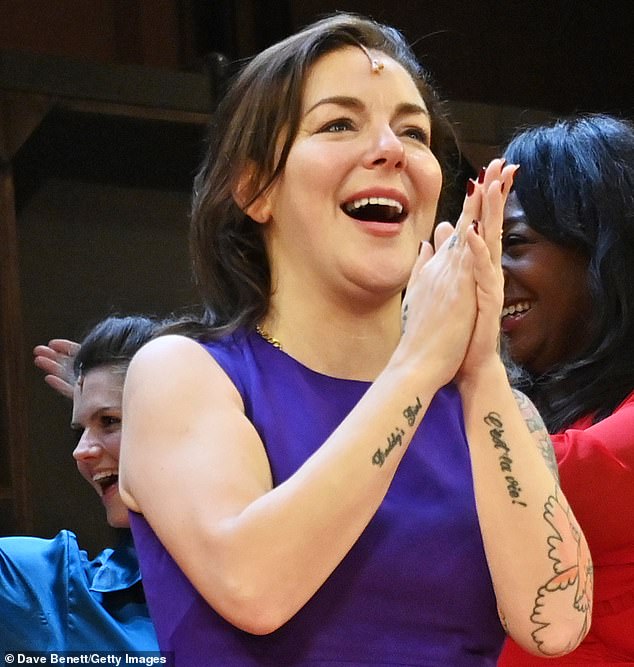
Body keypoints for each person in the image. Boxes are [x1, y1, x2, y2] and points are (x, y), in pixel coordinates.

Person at [119, 14, 592, 665]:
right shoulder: (183, 373)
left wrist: (479, 370)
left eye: (413, 131)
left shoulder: (493, 404)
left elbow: (556, 625)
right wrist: (421, 362)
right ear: (255, 187)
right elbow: (255, 588)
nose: (390, 148)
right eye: (339, 123)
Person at [496, 114, 634, 663]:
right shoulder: (545, 400)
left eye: (513, 241)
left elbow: (556, 478)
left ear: (605, 250)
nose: (486, 269)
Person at [0, 316, 159, 651]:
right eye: (79, 430)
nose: (80, 451)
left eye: (110, 421)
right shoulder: (50, 591)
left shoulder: (276, 573)